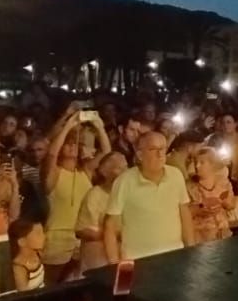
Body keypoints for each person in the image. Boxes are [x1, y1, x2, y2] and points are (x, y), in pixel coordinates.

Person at [102, 132, 193, 262]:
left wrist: (191, 251)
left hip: (175, 255)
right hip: (137, 260)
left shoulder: (176, 175)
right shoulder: (124, 181)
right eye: (153, 149)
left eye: (163, 148)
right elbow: (110, 226)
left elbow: (185, 214)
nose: (160, 154)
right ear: (140, 155)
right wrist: (114, 263)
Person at [41, 107, 108, 282]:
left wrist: (99, 127)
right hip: (56, 241)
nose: (72, 146)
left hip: (80, 239)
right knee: (52, 287)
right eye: (68, 143)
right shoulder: (54, 173)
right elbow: (51, 154)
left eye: (74, 144)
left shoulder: (84, 172)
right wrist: (69, 124)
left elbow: (107, 155)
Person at [75, 151, 126, 271]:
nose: (126, 172)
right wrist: (115, 235)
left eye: (126, 167)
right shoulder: (94, 195)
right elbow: (82, 230)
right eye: (120, 168)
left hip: (123, 257)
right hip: (98, 261)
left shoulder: (128, 194)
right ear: (106, 172)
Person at [186, 145, 236, 243]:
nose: (197, 166)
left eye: (202, 163)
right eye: (196, 163)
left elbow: (232, 205)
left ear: (212, 164)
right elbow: (185, 212)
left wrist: (226, 203)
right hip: (200, 237)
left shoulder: (223, 182)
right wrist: (200, 208)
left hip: (223, 234)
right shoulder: (189, 186)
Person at [9, 217, 46, 291]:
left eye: (43, 232)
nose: (44, 236)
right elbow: (25, 297)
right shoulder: (19, 269)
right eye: (38, 233)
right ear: (22, 242)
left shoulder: (38, 253)